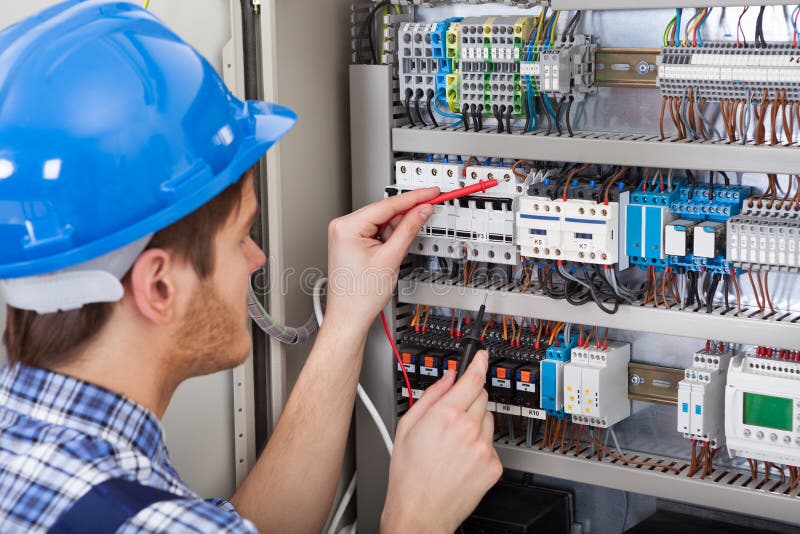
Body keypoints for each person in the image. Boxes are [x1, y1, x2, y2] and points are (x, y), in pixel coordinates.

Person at [0, 2, 501, 532]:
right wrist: (415, 516)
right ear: (160, 286)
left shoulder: (41, 444)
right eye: (242, 236)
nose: (258, 259)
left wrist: (348, 318)